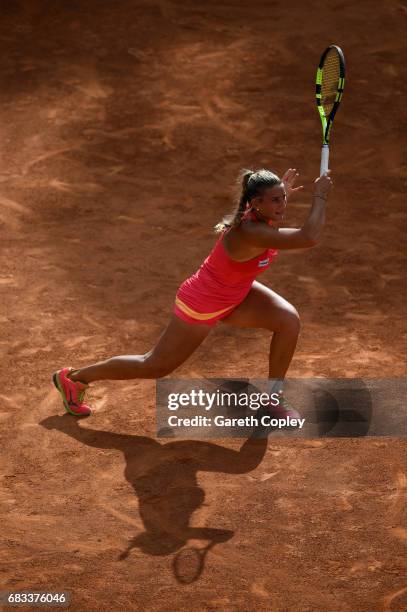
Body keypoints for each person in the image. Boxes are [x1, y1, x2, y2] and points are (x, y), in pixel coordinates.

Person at [52, 167, 333, 418]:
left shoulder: (259, 216)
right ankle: (75, 378)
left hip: (235, 294)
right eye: (275, 199)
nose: (282, 203)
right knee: (155, 366)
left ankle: (273, 397)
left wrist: (278, 198)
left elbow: (276, 219)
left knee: (287, 320)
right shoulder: (250, 231)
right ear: (255, 203)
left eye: (283, 198)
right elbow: (308, 237)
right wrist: (319, 196)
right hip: (203, 303)